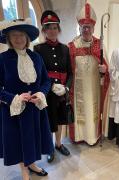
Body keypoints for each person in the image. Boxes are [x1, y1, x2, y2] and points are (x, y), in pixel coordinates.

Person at [0, 18, 54, 180]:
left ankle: (31, 164)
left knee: (33, 139)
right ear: (8, 39)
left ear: (27, 38)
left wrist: (41, 94)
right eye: (14, 35)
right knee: (19, 140)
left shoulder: (36, 57)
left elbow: (46, 80)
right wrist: (14, 98)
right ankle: (24, 169)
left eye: (21, 35)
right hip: (14, 109)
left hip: (35, 107)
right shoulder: (2, 59)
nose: (18, 39)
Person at [34, 10, 73, 162]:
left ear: (58, 29)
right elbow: (37, 74)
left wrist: (66, 88)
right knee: (50, 119)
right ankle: (49, 147)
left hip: (62, 92)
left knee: (61, 118)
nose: (52, 30)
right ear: (44, 30)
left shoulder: (65, 48)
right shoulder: (38, 49)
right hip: (47, 92)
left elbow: (70, 72)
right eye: (48, 27)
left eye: (55, 27)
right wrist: (49, 86)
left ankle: (58, 144)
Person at [68, 3, 109, 145]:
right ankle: (79, 137)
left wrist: (105, 69)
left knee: (92, 109)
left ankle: (92, 137)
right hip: (78, 88)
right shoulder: (72, 46)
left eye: (89, 27)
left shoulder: (100, 44)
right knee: (80, 111)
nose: (86, 30)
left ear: (93, 28)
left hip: (94, 88)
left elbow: (106, 66)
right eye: (83, 27)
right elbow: (69, 68)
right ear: (80, 28)